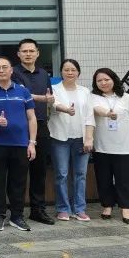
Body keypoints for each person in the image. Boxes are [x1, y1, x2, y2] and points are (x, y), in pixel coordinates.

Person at [0, 56, 38, 232]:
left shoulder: (23, 92)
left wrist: (32, 143)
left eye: (4, 67)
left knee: (18, 182)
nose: (1, 70)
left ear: (11, 70)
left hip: (21, 145)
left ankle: (17, 216)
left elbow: (32, 118)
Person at [11, 38, 56, 225]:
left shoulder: (44, 73)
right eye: (24, 51)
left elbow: (49, 97)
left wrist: (49, 101)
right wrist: (43, 98)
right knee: (19, 172)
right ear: (18, 54)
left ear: (37, 53)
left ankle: (38, 210)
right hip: (20, 126)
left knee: (39, 171)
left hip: (41, 125)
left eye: (31, 51)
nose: (28, 54)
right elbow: (22, 95)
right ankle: (17, 213)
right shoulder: (13, 72)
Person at [90, 68, 129, 224]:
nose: (103, 83)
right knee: (103, 177)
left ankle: (126, 208)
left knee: (125, 179)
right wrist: (107, 113)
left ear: (114, 79)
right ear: (95, 83)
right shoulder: (92, 97)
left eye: (107, 79)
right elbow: (96, 110)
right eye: (99, 80)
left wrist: (123, 131)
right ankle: (107, 206)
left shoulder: (126, 97)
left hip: (123, 145)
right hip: (101, 145)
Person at [49, 59, 94, 222]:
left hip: (81, 138)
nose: (70, 72)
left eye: (73, 70)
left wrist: (89, 138)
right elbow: (53, 105)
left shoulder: (85, 91)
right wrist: (66, 109)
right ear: (61, 72)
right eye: (66, 69)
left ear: (78, 73)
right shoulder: (54, 89)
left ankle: (79, 209)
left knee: (81, 174)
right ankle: (63, 209)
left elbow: (90, 116)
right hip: (59, 137)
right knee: (61, 174)